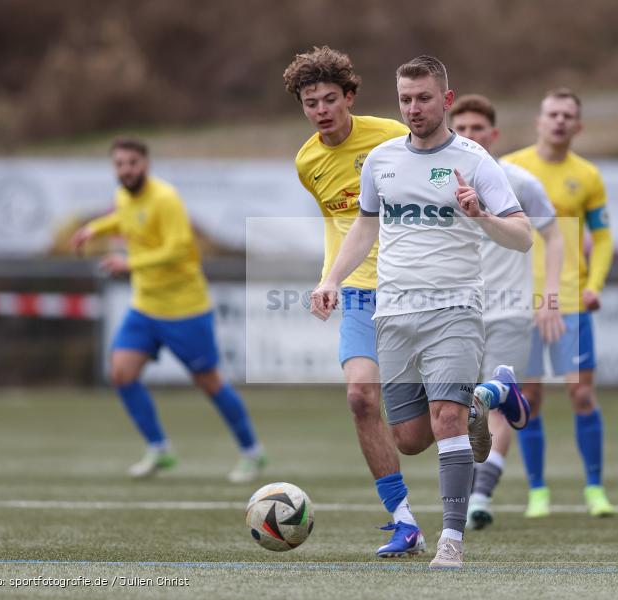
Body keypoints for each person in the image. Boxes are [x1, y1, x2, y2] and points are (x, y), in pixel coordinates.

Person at [311, 55, 532, 570]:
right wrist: (330, 280)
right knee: (410, 439)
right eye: (406, 99)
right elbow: (364, 227)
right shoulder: (383, 160)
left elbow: (521, 236)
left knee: (447, 419)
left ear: (447, 100)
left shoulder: (475, 161)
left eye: (424, 98)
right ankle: (492, 392)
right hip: (394, 314)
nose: (414, 108)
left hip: (454, 308)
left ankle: (451, 540)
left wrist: (479, 215)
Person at [283, 46, 429, 558]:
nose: (321, 110)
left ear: (349, 96)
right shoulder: (308, 162)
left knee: (412, 437)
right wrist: (330, 280)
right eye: (310, 102)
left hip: (414, 290)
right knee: (361, 397)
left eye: (329, 98)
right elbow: (339, 226)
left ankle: (484, 398)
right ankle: (403, 520)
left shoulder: (393, 137)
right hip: (360, 294)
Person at [71, 137, 265, 483]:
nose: (126, 170)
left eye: (132, 163)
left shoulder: (166, 198)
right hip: (145, 307)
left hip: (185, 308)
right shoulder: (124, 197)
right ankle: (159, 448)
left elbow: (177, 249)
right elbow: (123, 219)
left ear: (145, 164)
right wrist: (93, 229)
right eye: (119, 164)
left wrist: (130, 263)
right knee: (121, 373)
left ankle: (252, 451)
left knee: (208, 382)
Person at [448, 94, 564, 530]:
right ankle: (472, 486)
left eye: (479, 128)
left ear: (493, 135)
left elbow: (554, 238)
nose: (471, 136)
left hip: (511, 309)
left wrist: (549, 297)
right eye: (462, 128)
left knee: (495, 400)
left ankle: (479, 496)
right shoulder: (435, 182)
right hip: (457, 311)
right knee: (455, 407)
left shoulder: (520, 182)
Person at [503, 88, 615, 518]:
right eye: (553, 113)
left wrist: (596, 284)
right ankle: (537, 492)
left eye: (568, 115)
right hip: (521, 302)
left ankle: (594, 489)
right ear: (539, 120)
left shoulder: (587, 176)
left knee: (582, 394)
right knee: (528, 397)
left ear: (578, 125)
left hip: (570, 301)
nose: (560, 121)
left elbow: (603, 238)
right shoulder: (512, 168)